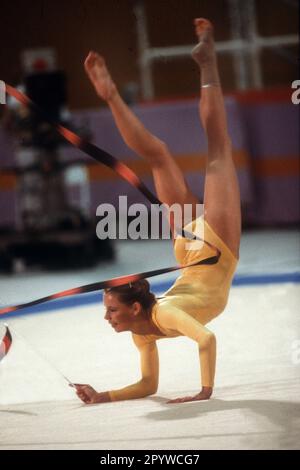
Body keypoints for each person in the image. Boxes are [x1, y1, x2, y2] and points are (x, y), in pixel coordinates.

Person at [74, 18, 241, 405]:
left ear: (135, 308)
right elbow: (148, 385)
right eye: (109, 311)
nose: (107, 317)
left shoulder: (159, 318)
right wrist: (104, 396)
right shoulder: (143, 326)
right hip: (194, 255)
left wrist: (205, 392)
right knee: (169, 154)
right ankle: (111, 94)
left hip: (207, 253)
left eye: (111, 310)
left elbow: (206, 338)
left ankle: (205, 64)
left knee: (212, 150)